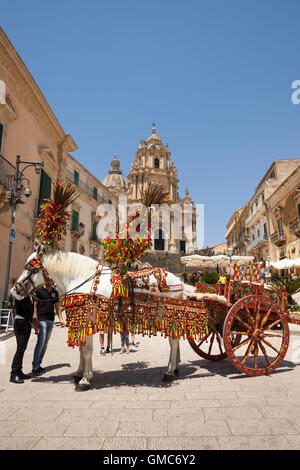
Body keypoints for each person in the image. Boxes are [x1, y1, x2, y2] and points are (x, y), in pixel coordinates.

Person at [31, 277, 64, 375]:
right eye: (47, 279)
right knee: (41, 342)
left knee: (45, 344)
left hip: (50, 320)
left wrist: (61, 320)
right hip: (41, 319)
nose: (49, 281)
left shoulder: (54, 292)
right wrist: (35, 320)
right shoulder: (39, 290)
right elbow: (35, 306)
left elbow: (57, 307)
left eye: (51, 279)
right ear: (45, 280)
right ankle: (35, 366)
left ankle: (38, 364)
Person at [9, 285, 38, 384]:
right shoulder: (21, 295)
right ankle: (13, 374)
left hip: (27, 324)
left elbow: (32, 313)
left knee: (23, 348)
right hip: (20, 323)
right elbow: (12, 291)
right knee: (20, 348)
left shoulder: (30, 296)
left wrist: (35, 326)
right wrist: (18, 283)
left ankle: (19, 371)